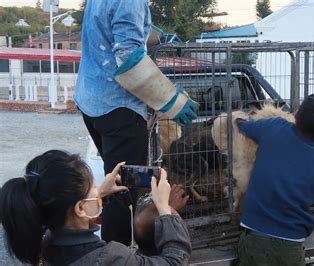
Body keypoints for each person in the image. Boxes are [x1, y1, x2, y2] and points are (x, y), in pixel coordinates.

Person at [74, 0, 197, 245]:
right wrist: (171, 100)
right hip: (119, 107)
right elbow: (128, 57)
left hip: (93, 101)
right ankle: (118, 254)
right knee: (124, 192)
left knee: (114, 180)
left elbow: (114, 29)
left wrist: (158, 37)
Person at [0, 150, 192, 265]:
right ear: (80, 209)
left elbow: (72, 210)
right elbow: (174, 262)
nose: (97, 189)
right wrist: (165, 210)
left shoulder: (45, 240)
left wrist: (99, 194)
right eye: (92, 187)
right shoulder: (110, 257)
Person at [236, 93, 314, 265]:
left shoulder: (274, 127)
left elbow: (244, 127)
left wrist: (238, 120)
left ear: (296, 114)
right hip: (292, 243)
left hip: (254, 238)